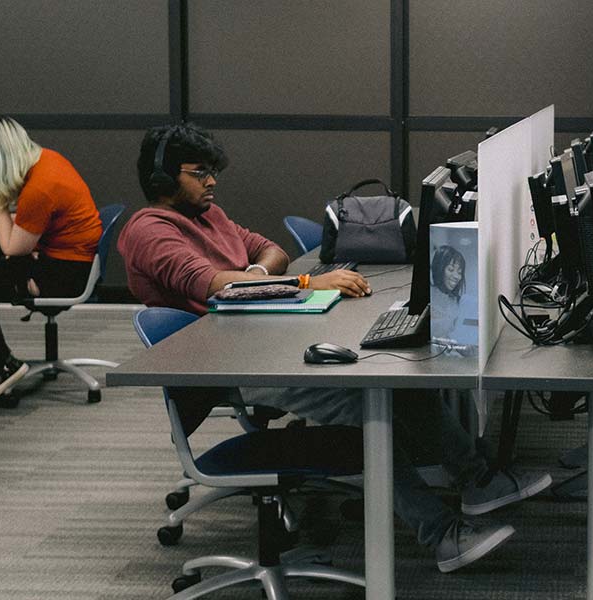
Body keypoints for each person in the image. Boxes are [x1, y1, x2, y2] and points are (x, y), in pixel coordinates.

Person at [116, 123, 550, 573]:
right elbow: (214, 285)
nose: (212, 181)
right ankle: (441, 534)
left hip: (264, 339)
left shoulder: (210, 216)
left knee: (402, 381)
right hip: (238, 366)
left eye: (212, 171)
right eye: (199, 172)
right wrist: (302, 283)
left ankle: (477, 480)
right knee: (373, 404)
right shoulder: (151, 231)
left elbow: (271, 251)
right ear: (163, 179)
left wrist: (258, 281)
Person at [0, 116, 103, 402]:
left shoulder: (40, 188)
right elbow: (26, 225)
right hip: (62, 260)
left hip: (61, 276)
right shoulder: (46, 161)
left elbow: (13, 247)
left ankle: (1, 362)